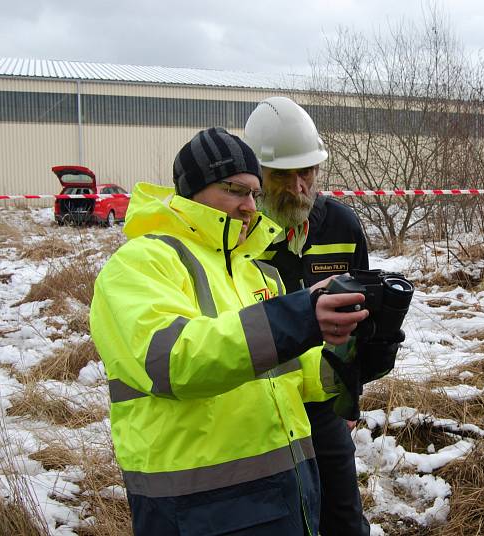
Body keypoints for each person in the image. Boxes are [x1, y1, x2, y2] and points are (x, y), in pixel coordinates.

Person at [89, 126, 370, 536]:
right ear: (193, 192)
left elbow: (292, 376)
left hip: (281, 497)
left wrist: (350, 360)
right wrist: (300, 317)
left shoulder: (253, 270)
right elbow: (174, 361)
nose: (250, 207)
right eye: (236, 191)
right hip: (199, 509)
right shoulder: (140, 263)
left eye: (255, 194)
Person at [245, 97, 395, 536]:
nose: (298, 187)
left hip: (324, 403)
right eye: (282, 175)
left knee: (343, 519)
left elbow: (360, 319)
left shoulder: (342, 226)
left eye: (306, 172)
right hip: (262, 406)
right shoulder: (238, 234)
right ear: (257, 175)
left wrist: (351, 397)